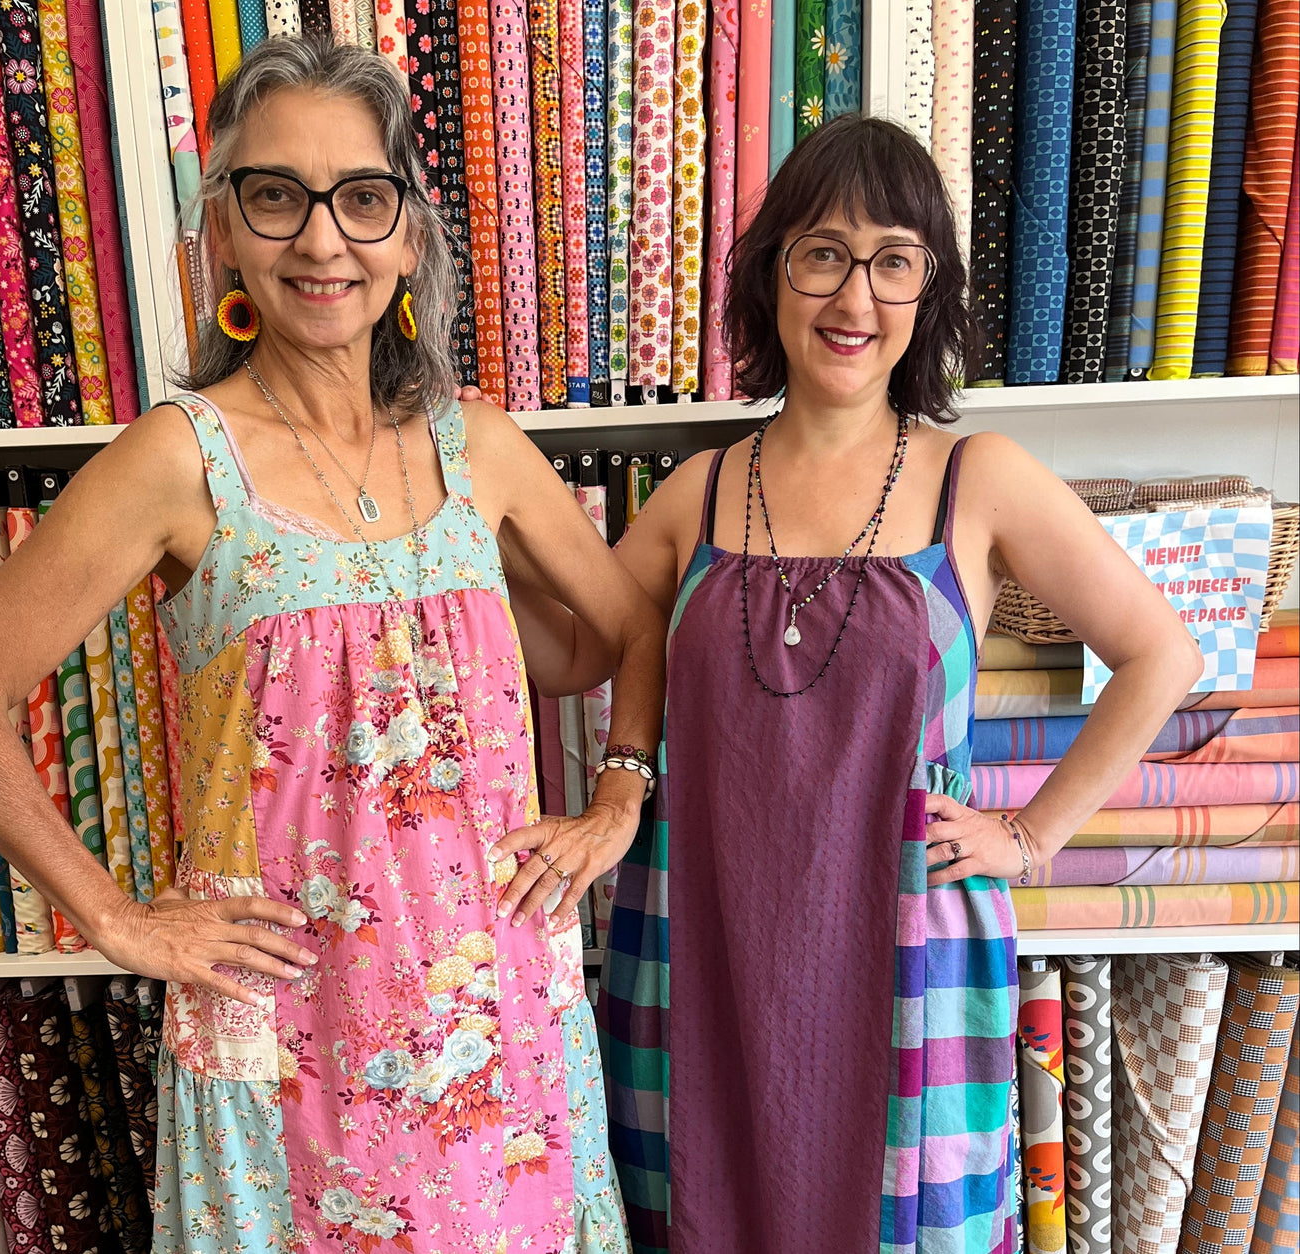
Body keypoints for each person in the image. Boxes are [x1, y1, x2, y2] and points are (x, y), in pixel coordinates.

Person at [0, 37, 662, 1254]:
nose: (321, 241)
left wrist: (618, 793)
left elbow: (623, 630)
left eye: (361, 199)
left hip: (498, 1020)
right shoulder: (178, 459)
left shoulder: (479, 446)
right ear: (223, 234)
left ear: (409, 234)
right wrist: (112, 914)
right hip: (290, 1038)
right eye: (275, 196)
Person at [513, 116, 1201, 1253]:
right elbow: (573, 656)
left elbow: (1158, 654)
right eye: (821, 253)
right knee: (696, 1210)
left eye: (893, 260)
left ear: (926, 290)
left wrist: (1031, 837)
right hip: (702, 933)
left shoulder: (976, 478)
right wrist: (467, 542)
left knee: (905, 1221)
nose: (853, 295)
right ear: (772, 272)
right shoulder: (696, 491)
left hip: (901, 937)